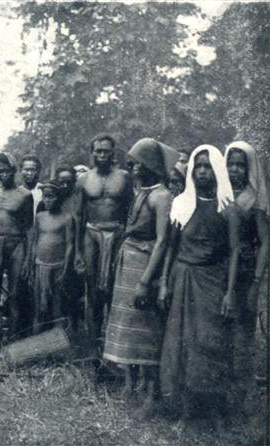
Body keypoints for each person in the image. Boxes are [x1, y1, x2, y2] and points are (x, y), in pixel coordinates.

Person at [158, 145, 239, 427]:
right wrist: (164, 284)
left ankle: (214, 411)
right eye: (198, 166)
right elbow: (171, 247)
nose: (202, 172)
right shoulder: (181, 203)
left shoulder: (227, 208)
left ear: (217, 171)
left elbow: (234, 252)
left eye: (208, 167)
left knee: (209, 344)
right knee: (182, 345)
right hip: (182, 281)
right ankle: (186, 411)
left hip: (212, 281)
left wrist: (229, 292)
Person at [102, 138, 178, 413]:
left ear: (150, 166)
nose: (132, 168)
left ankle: (150, 392)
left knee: (146, 329)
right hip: (128, 261)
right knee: (127, 325)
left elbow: (162, 241)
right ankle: (129, 384)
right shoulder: (140, 192)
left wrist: (146, 281)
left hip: (145, 265)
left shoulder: (162, 196)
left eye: (137, 163)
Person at [75, 134, 133, 357]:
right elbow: (79, 216)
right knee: (93, 291)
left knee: (114, 290)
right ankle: (93, 349)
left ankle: (114, 348)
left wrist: (127, 240)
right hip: (92, 233)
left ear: (113, 153)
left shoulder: (124, 178)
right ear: (92, 153)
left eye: (106, 151)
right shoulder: (84, 180)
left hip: (117, 234)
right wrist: (79, 252)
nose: (102, 155)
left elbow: (130, 212)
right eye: (98, 151)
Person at [225, 141, 269, 414]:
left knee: (243, 328)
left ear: (249, 168)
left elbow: (265, 242)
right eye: (230, 164)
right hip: (220, 266)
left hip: (246, 268)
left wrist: (256, 281)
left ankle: (242, 390)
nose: (234, 170)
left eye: (241, 165)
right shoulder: (220, 194)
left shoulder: (254, 201)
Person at [0, 153, 33, 337]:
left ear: (14, 171)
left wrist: (28, 258)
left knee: (15, 294)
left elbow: (29, 228)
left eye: (8, 170)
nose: (5, 174)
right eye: (1, 171)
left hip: (16, 242)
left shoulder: (25, 195)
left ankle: (13, 336)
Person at [26, 180, 73, 334]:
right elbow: (34, 241)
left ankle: (58, 346)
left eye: (51, 196)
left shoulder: (66, 218)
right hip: (41, 266)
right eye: (45, 197)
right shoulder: (39, 217)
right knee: (39, 307)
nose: (48, 200)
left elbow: (69, 244)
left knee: (58, 306)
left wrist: (66, 268)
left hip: (58, 266)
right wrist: (31, 264)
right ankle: (36, 345)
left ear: (58, 197)